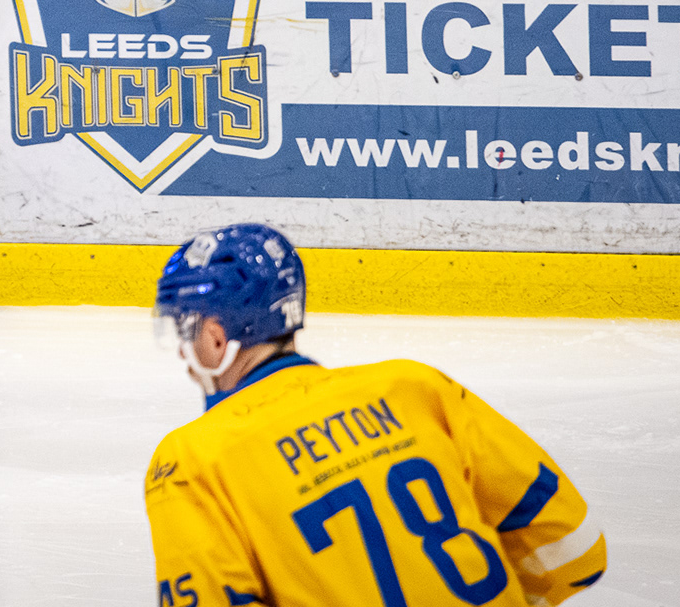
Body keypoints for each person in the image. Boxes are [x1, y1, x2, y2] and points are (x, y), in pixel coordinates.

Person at [146, 223, 608, 606]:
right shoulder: (414, 387)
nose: (183, 354)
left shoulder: (193, 459)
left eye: (185, 331)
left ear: (216, 338)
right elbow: (575, 546)